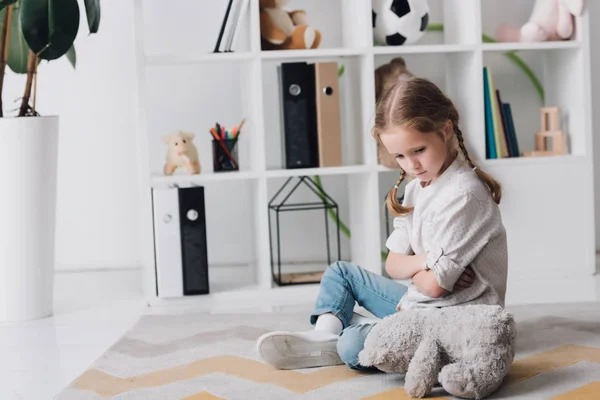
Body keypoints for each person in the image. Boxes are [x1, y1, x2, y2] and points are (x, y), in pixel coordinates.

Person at [256, 77, 508, 371]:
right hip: (419, 304)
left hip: (453, 321)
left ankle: (347, 333)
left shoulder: (463, 195)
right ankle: (324, 336)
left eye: (418, 150)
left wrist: (419, 268)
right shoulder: (417, 187)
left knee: (351, 346)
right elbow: (393, 265)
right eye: (399, 155)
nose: (411, 165)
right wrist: (426, 261)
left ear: (446, 129)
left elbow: (435, 287)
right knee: (340, 273)